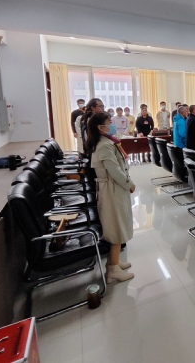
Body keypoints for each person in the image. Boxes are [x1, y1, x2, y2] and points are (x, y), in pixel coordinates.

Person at [86, 111, 135, 283]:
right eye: (109, 122)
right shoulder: (104, 145)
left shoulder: (106, 141)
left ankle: (114, 262)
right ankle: (113, 271)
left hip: (113, 187)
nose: (113, 125)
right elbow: (114, 171)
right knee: (116, 226)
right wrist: (129, 184)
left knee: (118, 223)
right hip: (112, 189)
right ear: (101, 127)